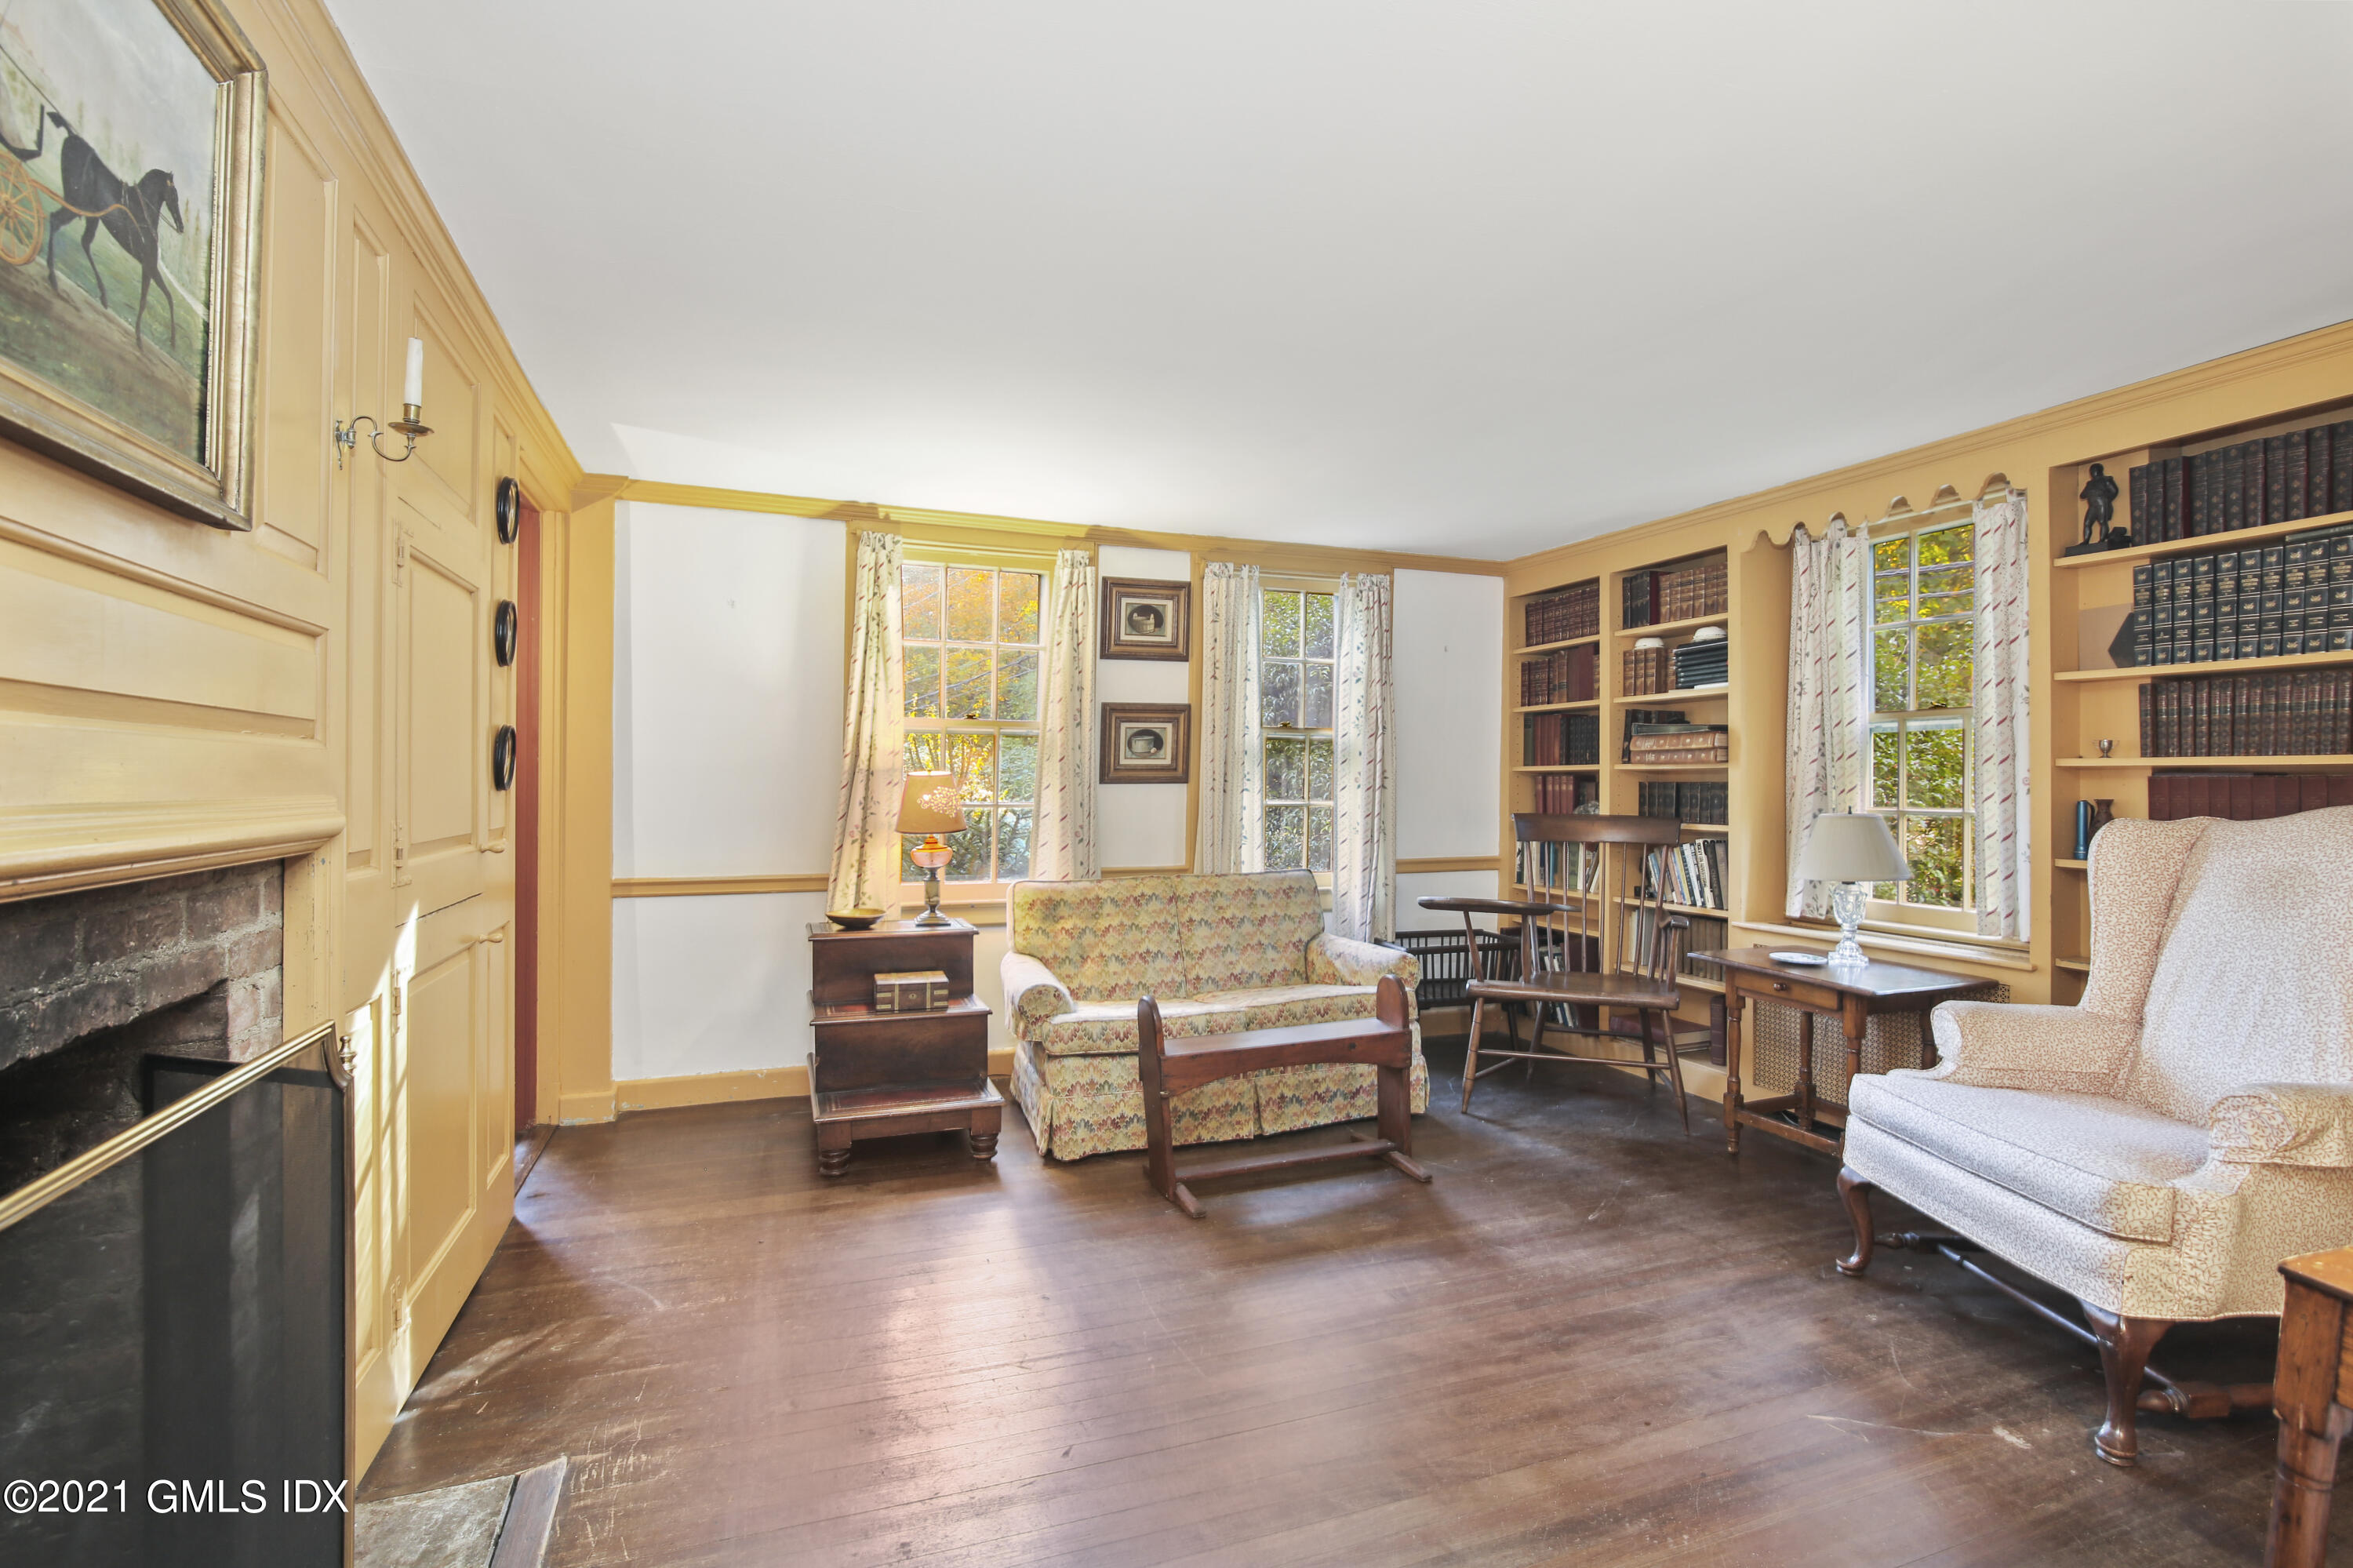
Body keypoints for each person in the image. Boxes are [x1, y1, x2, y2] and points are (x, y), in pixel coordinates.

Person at [2079, 462, 2120, 546]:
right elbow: (2082, 495)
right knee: (2087, 523)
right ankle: (2086, 541)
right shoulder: (2090, 483)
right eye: (2091, 471)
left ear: (2098, 471)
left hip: (2102, 502)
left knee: (2103, 521)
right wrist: (2090, 491)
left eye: (2093, 470)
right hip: (2092, 505)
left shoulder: (2106, 480)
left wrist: (2106, 499)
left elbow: (2114, 491)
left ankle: (2102, 540)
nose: (2092, 473)